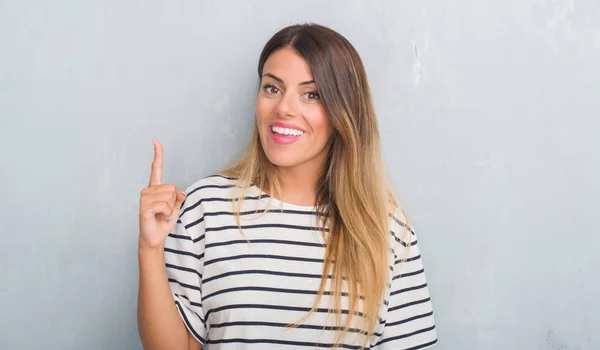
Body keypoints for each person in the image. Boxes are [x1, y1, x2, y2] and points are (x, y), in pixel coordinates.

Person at [137, 23, 437, 350]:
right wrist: (149, 249)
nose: (284, 108)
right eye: (272, 88)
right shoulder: (205, 207)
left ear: (344, 111)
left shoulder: (387, 230)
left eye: (312, 94)